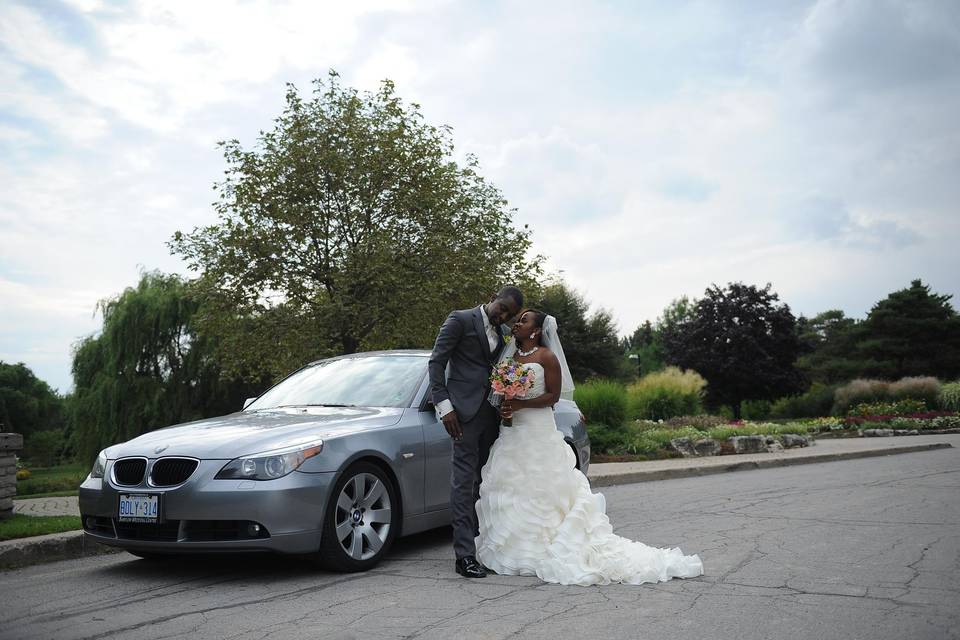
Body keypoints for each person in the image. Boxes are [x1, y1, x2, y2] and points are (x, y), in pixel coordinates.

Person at [475, 309, 704, 586]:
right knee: (512, 485)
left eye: (524, 320)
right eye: (518, 319)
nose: (517, 323)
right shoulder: (511, 357)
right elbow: (503, 395)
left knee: (541, 486)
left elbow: (552, 397)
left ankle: (545, 543)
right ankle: (513, 549)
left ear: (536, 331)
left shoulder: (547, 357)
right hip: (514, 432)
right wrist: (508, 409)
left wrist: (522, 403)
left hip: (538, 430)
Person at [428, 286, 524, 578]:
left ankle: (486, 549)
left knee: (486, 483)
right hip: (463, 415)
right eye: (502, 307)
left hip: (491, 415)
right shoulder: (459, 319)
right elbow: (436, 363)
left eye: (510, 313)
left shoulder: (505, 332)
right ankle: (464, 557)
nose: (503, 315)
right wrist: (445, 408)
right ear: (493, 296)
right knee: (463, 482)